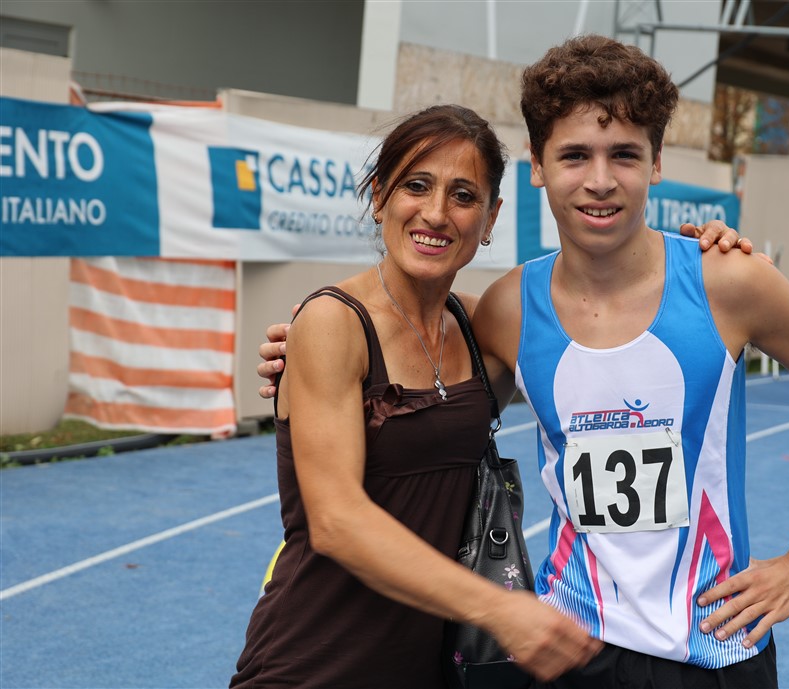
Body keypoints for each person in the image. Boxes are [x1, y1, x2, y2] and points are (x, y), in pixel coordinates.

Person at [235, 103, 745, 687]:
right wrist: (499, 609)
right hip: (313, 659)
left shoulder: (481, 328)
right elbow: (335, 521)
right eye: (416, 186)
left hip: (433, 664)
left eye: (463, 196)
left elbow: (606, 322)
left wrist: (700, 257)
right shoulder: (334, 322)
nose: (435, 213)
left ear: (490, 217)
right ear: (379, 196)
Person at [468, 36, 789, 687]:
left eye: (624, 154)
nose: (601, 180)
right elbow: (445, 437)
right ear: (537, 165)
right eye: (575, 155)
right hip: (567, 646)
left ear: (657, 162)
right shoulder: (507, 310)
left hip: (715, 648)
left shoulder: (730, 282)